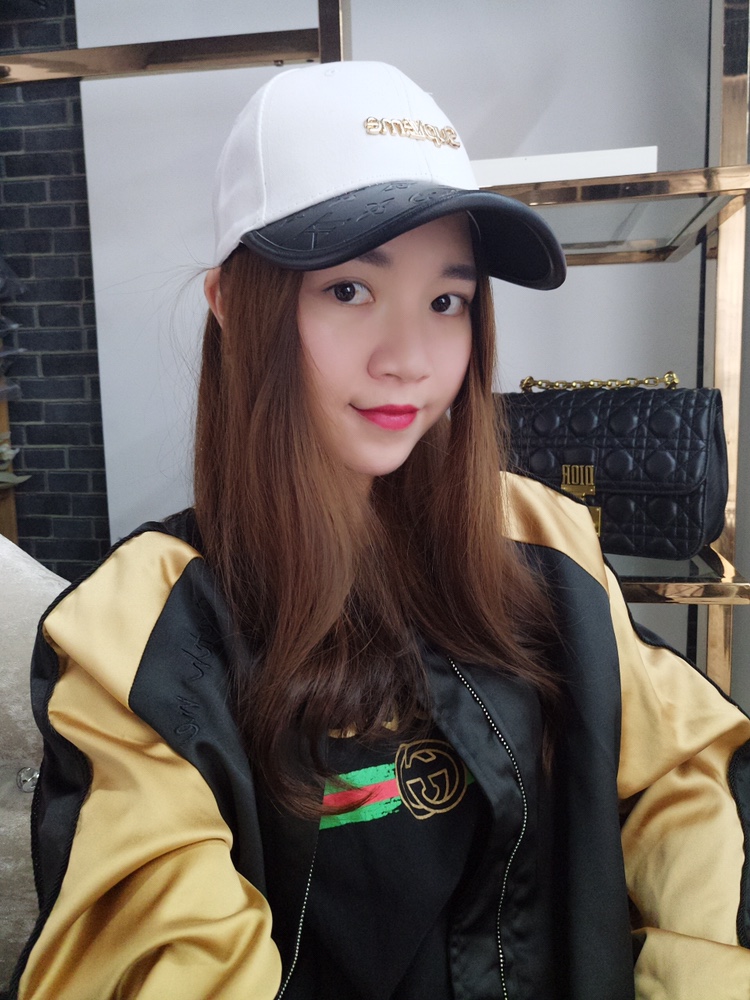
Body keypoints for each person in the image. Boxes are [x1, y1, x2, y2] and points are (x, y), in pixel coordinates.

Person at [8, 61, 750, 1000]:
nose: (410, 360)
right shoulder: (143, 628)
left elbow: (687, 788)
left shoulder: (540, 537)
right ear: (232, 306)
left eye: (447, 301)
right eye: (350, 291)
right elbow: (161, 948)